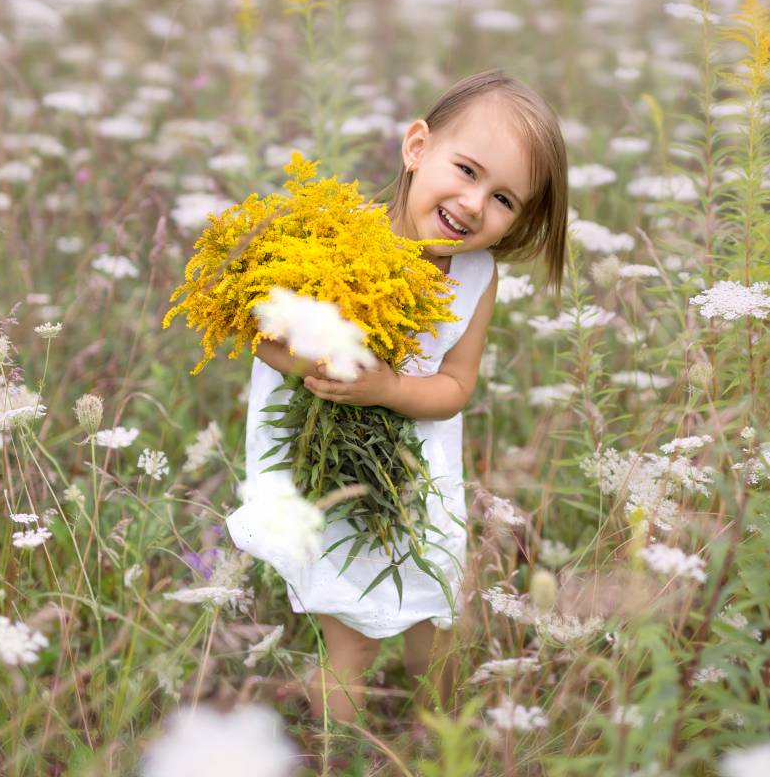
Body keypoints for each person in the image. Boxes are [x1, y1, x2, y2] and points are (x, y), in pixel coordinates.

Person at [227, 68, 569, 726]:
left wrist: (388, 388)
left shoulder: (475, 274)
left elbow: (457, 385)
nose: (473, 203)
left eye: (504, 200)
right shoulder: (336, 237)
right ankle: (341, 757)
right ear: (418, 148)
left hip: (420, 479)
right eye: (466, 170)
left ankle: (438, 745)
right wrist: (323, 363)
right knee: (350, 641)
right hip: (332, 478)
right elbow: (260, 334)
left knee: (438, 625)